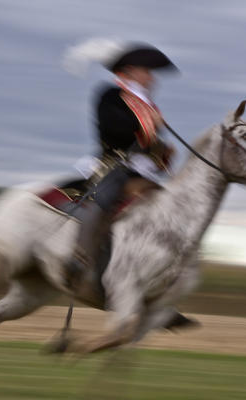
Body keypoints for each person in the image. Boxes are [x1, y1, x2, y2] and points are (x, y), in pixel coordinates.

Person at [64, 41, 178, 290]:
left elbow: (147, 144)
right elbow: (114, 130)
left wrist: (162, 150)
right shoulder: (110, 95)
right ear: (128, 71)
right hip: (113, 163)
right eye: (146, 71)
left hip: (140, 169)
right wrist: (150, 126)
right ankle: (79, 257)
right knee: (104, 197)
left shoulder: (148, 106)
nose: (151, 77)